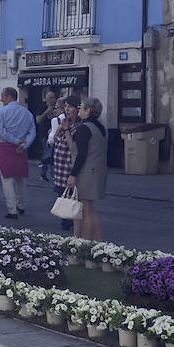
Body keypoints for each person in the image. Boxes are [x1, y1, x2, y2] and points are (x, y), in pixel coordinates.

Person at [66, 97, 109, 242]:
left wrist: (73, 174)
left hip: (86, 171)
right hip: (98, 170)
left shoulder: (85, 128)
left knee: (85, 209)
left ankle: (87, 242)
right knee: (90, 208)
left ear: (88, 110)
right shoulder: (101, 127)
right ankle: (96, 241)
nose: (79, 109)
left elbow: (80, 153)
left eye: (81, 107)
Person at [0, 87, 36, 220]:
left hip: (6, 146)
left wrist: (16, 141)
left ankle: (12, 209)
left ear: (8, 96)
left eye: (2, 95)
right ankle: (21, 205)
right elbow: (32, 131)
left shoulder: (2, 111)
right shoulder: (27, 112)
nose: (1, 98)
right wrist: (24, 144)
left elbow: (0, 131)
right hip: (22, 148)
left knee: (7, 179)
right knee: (21, 178)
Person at [50, 97, 79, 231]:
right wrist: (59, 130)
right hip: (60, 168)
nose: (67, 109)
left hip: (68, 167)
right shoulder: (64, 123)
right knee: (62, 194)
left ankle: (70, 221)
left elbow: (72, 147)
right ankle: (66, 219)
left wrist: (66, 130)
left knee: (69, 195)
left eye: (70, 106)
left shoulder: (78, 127)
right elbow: (55, 140)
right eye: (66, 106)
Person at [35, 90, 61, 181]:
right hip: (45, 134)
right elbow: (38, 120)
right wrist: (47, 112)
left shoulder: (58, 108)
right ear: (46, 99)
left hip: (56, 133)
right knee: (48, 154)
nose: (53, 99)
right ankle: (49, 174)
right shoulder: (42, 106)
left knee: (51, 154)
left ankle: (48, 173)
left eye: (54, 97)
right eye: (50, 98)